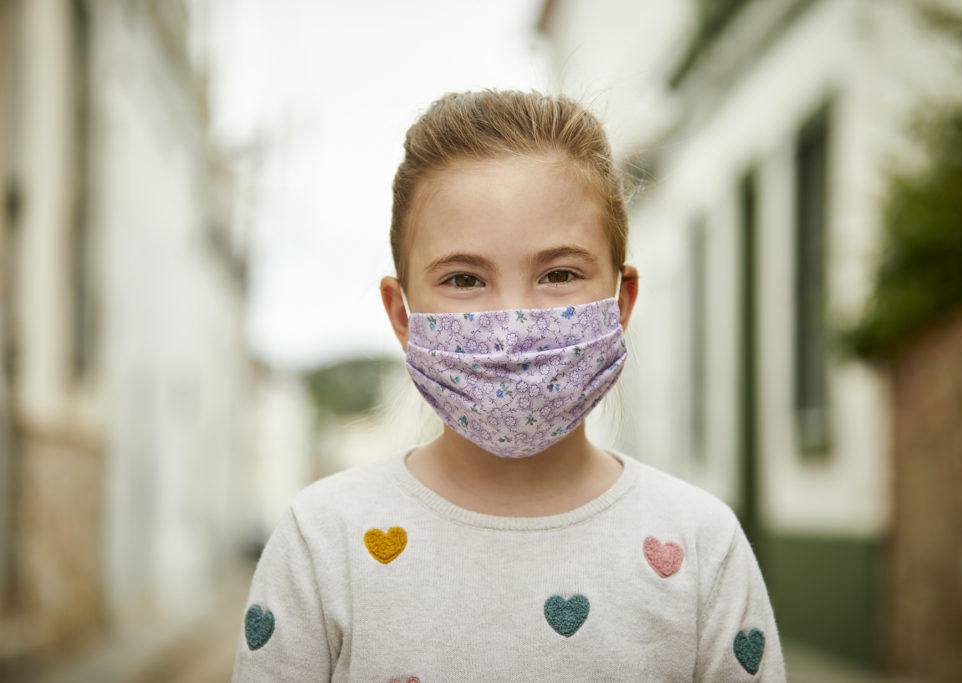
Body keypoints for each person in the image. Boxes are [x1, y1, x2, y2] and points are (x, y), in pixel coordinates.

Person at [232, 90, 785, 682]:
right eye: (465, 278)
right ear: (402, 315)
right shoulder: (322, 539)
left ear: (620, 303)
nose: (514, 325)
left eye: (560, 274)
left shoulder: (701, 545)